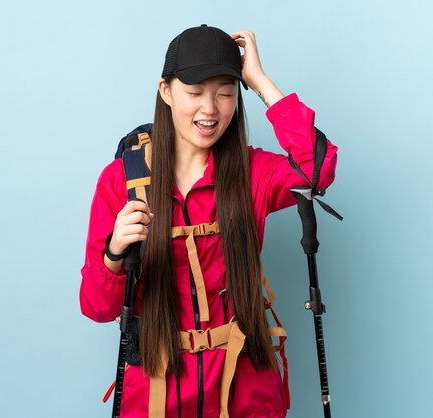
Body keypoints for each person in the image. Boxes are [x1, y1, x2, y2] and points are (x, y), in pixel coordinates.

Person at [80, 24, 338, 418]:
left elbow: (317, 169)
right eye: (195, 92)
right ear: (165, 91)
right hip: (157, 393)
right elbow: (97, 308)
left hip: (245, 388)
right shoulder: (121, 182)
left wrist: (260, 81)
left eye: (225, 93)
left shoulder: (253, 173)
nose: (210, 109)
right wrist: (115, 253)